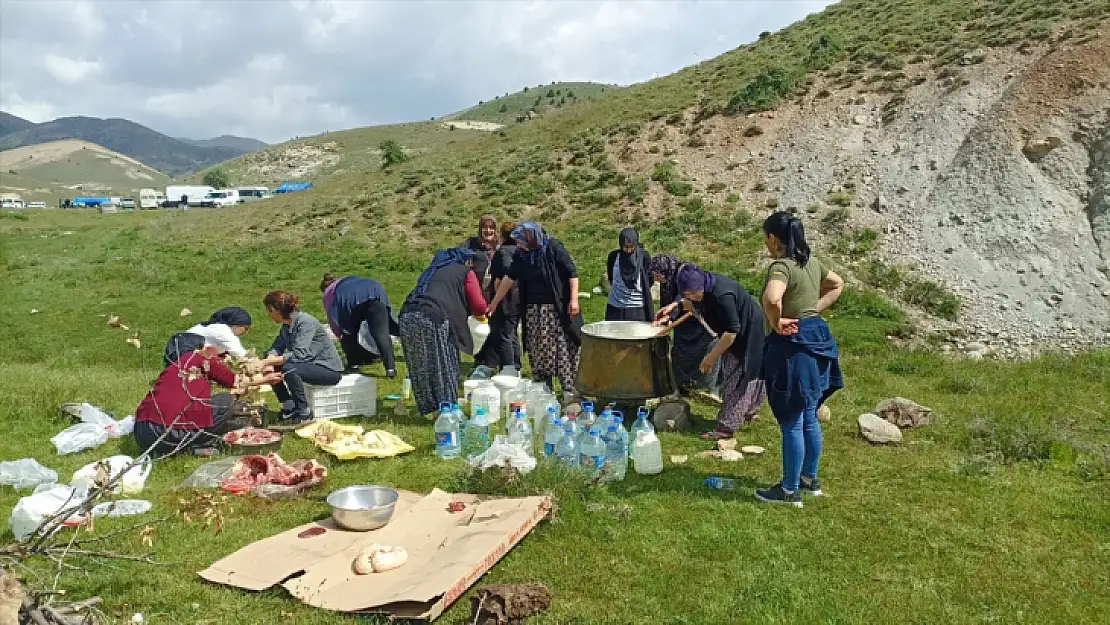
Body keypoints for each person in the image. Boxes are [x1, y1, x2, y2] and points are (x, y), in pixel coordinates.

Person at [755, 212, 845, 508]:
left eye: (765, 237)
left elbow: (771, 298)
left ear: (773, 238)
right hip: (816, 339)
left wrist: (777, 321)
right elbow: (837, 284)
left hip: (792, 348)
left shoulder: (781, 267)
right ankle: (809, 479)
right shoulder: (812, 263)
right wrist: (813, 310)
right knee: (809, 413)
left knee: (792, 418)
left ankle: (789, 490)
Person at [656, 263, 766, 441]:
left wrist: (711, 357)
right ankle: (747, 412)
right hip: (734, 330)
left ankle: (726, 427)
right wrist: (674, 306)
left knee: (738, 376)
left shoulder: (722, 295)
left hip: (748, 332)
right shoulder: (703, 285)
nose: (692, 297)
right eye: (687, 294)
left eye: (694, 293)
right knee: (740, 372)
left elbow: (732, 332)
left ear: (701, 286)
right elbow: (688, 301)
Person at [135, 340, 282, 456]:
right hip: (172, 433)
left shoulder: (172, 369)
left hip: (142, 433)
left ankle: (172, 450)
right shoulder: (200, 358)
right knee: (225, 400)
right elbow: (236, 382)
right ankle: (200, 444)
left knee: (201, 405)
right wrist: (266, 379)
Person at [486, 222, 581, 396]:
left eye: (521, 242)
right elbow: (509, 278)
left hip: (556, 309)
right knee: (538, 349)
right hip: (532, 310)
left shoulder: (553, 247)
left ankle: (569, 390)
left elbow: (572, 274)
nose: (519, 245)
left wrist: (574, 300)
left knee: (561, 348)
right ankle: (544, 388)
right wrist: (494, 302)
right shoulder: (522, 255)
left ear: (531, 239)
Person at [399, 249, 488, 416]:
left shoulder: (431, 271)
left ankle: (431, 408)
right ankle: (447, 408)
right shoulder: (464, 272)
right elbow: (479, 305)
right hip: (434, 316)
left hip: (407, 316)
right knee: (444, 363)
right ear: (466, 261)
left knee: (421, 365)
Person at [255, 291, 344, 423]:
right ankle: (289, 407)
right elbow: (277, 346)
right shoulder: (287, 325)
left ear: (274, 310)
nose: (268, 315)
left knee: (290, 368)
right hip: (308, 365)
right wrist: (269, 361)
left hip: (327, 369)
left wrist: (268, 361)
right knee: (276, 363)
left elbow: (299, 354)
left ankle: (304, 412)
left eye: (268, 311)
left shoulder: (305, 323)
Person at [650, 254, 722, 398]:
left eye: (658, 276)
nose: (657, 279)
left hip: (695, 320)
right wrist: (666, 317)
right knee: (680, 354)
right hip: (681, 324)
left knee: (700, 353)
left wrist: (672, 315)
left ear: (665, 271)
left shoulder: (686, 275)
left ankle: (704, 386)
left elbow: (683, 298)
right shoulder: (668, 279)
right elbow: (668, 302)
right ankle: (681, 384)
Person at [320, 273, 400, 377]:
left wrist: (339, 333)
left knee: (348, 332)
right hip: (375, 292)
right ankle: (391, 369)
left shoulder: (329, 292)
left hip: (351, 301)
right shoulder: (350, 280)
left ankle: (354, 365)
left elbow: (333, 317)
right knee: (381, 334)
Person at [472, 221, 523, 378]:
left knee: (504, 334)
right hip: (519, 298)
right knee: (512, 333)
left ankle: (508, 369)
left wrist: (496, 295)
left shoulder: (504, 252)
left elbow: (505, 275)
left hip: (505, 299)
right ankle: (516, 365)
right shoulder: (521, 251)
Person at [603, 227, 654, 322]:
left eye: (632, 247)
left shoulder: (644, 257)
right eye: (625, 247)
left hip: (637, 308)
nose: (629, 250)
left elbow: (649, 279)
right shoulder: (614, 257)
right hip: (615, 307)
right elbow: (611, 277)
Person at [184, 307, 253, 359]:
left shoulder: (215, 327)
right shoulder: (222, 331)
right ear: (236, 324)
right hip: (184, 358)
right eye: (245, 328)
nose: (246, 332)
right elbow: (241, 354)